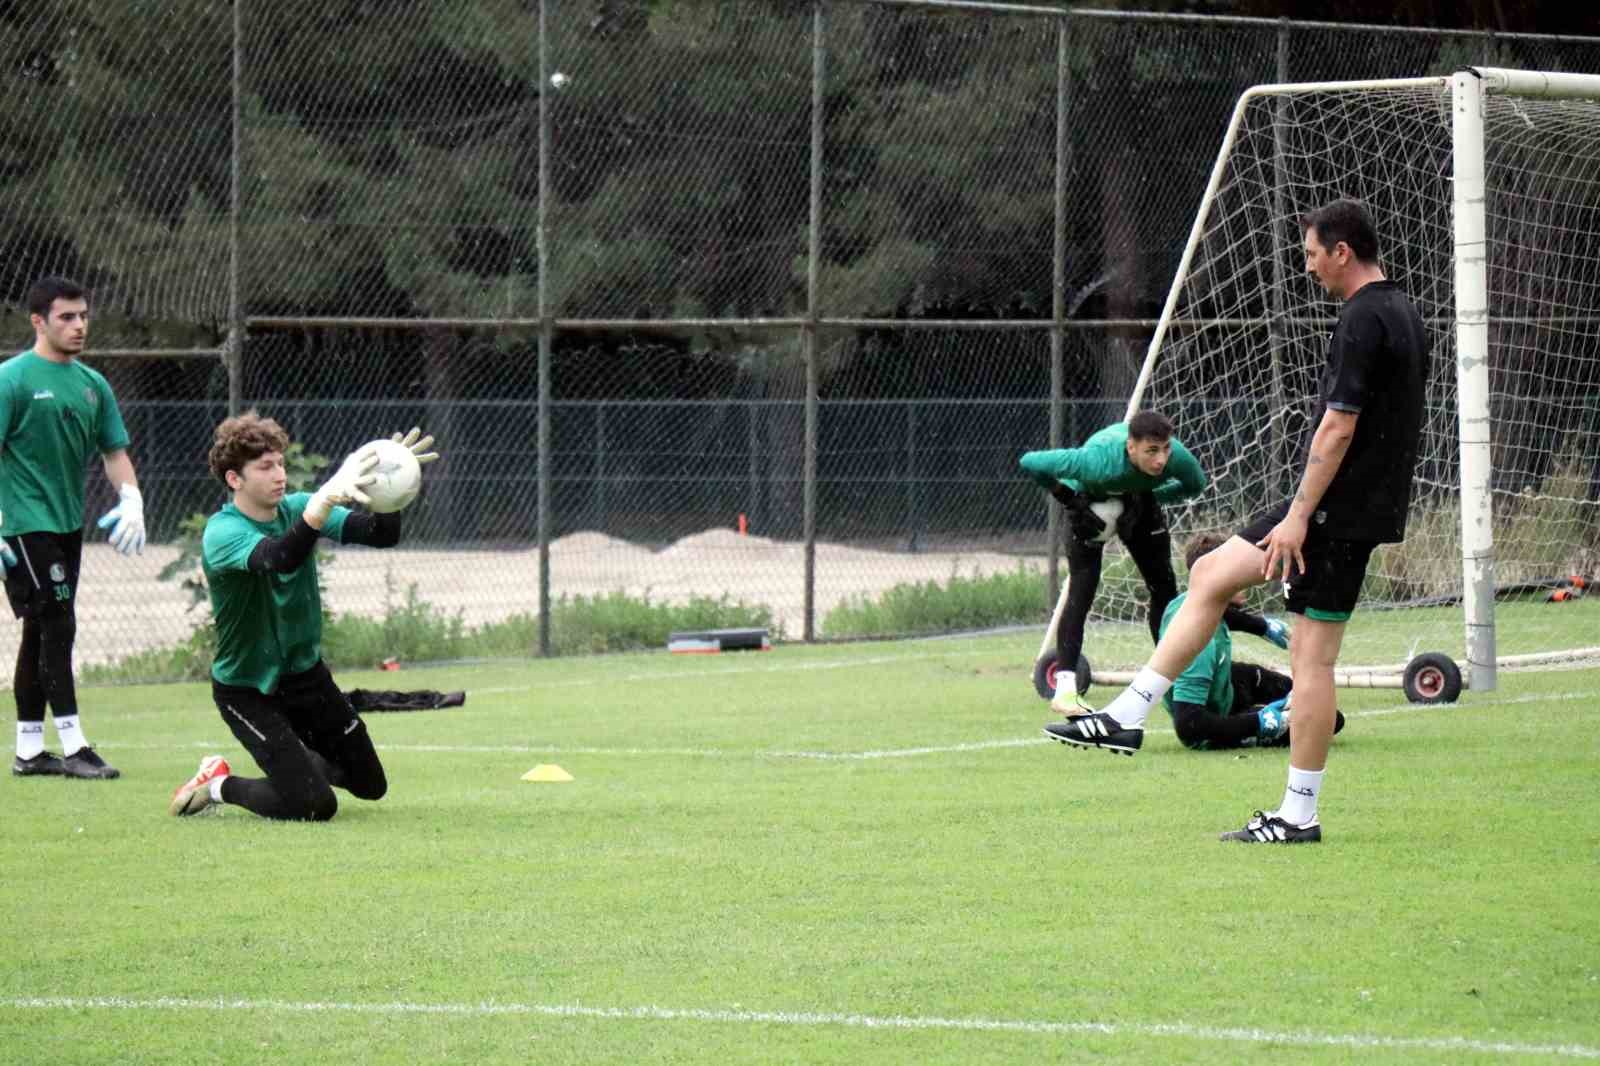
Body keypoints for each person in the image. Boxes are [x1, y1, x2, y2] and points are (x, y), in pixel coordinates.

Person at [1046, 198, 1428, 845]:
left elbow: (1339, 427)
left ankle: (1297, 815)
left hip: (1335, 511)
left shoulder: (1364, 318)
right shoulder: (1402, 310)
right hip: (1344, 505)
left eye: (1310, 254)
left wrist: (1301, 517)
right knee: (1211, 572)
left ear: (1341, 250)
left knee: (1312, 663)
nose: (1307, 268)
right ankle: (1127, 714)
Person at [167, 413, 439, 820]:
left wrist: (388, 487)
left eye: (280, 463)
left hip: (306, 678)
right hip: (248, 690)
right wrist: (324, 500)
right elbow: (280, 557)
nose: (279, 474)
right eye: (265, 466)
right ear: (234, 480)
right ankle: (218, 784)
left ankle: (297, 765)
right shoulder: (222, 532)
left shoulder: (297, 506)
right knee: (314, 805)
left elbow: (382, 534)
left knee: (369, 784)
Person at [3, 276, 143, 781]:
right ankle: (76, 746)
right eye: (66, 316)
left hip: (66, 525)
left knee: (41, 628)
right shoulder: (11, 380)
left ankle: (28, 751)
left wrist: (132, 498)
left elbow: (115, 453)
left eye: (83, 315)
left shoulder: (92, 385)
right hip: (21, 525)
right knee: (60, 625)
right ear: (38, 321)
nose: (79, 325)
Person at [1049, 532, 1343, 752]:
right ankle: (1254, 722)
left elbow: (1226, 615)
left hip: (1224, 683)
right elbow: (1190, 725)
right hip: (1211, 718)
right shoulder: (1199, 647)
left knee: (1314, 702)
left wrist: (1263, 627)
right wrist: (1259, 723)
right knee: (1327, 722)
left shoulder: (1192, 604)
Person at [1019, 410, 1208, 713]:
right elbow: (1030, 463)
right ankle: (1065, 691)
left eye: (1165, 449)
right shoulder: (1096, 461)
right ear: (1130, 447)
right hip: (1087, 503)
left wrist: (1148, 496)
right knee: (1082, 590)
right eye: (1151, 451)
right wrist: (1070, 499)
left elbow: (1194, 486)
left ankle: (1167, 678)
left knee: (1164, 588)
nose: (1161, 459)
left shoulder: (1176, 459)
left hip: (1141, 503)